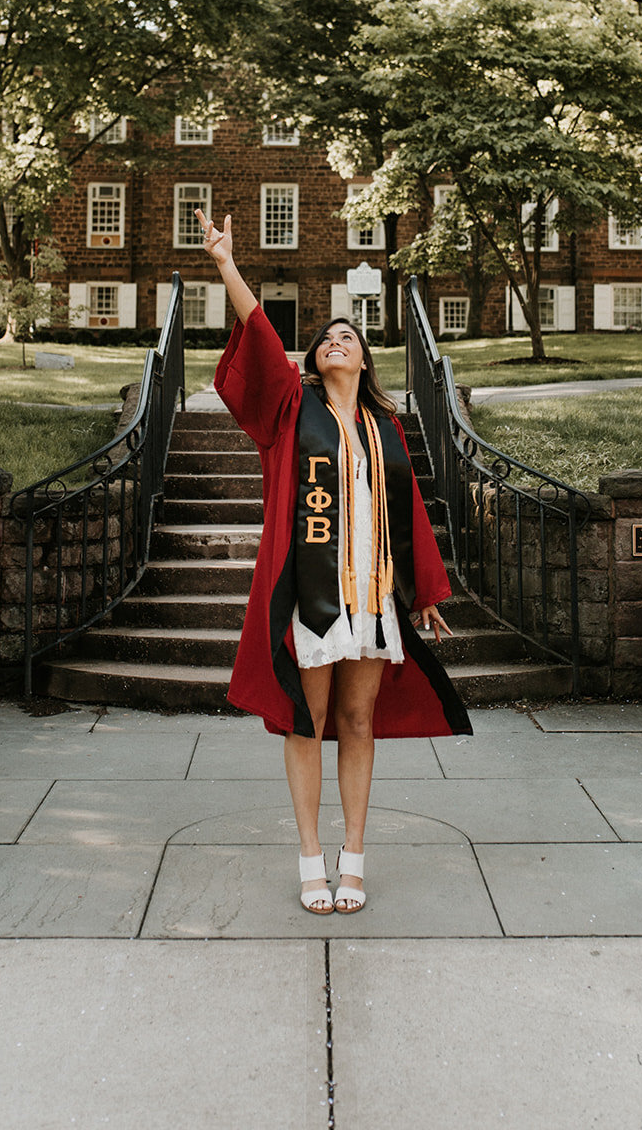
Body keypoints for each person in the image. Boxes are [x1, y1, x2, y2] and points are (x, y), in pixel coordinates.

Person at [198, 209, 472, 916]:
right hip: (307, 596)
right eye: (325, 339)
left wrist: (425, 593)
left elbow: (408, 516)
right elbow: (258, 340)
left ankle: (353, 858)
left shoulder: (386, 429)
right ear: (311, 360)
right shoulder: (293, 410)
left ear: (363, 358)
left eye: (347, 336)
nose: (336, 341)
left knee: (356, 723)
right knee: (302, 721)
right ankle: (309, 860)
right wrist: (228, 265)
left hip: (371, 597)